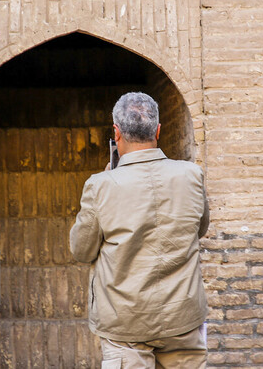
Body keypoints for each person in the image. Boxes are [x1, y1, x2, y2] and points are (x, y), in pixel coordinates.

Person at [69, 92, 210, 369]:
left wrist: (109, 176)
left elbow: (82, 250)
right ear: (157, 131)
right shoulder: (191, 174)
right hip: (182, 315)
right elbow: (199, 229)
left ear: (116, 133)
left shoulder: (101, 185)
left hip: (125, 323)